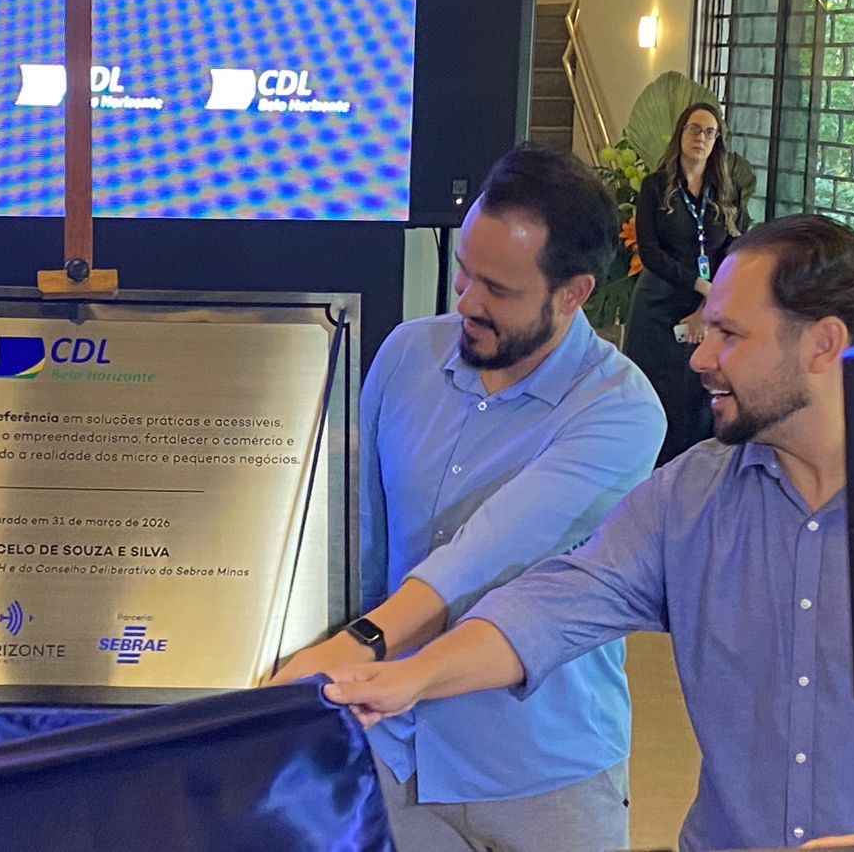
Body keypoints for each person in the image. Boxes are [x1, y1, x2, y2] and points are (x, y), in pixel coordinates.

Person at [320, 215, 854, 851]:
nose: (701, 357)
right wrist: (412, 676)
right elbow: (552, 605)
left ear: (823, 344)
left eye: (730, 334)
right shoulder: (689, 496)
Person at [273, 144, 666, 852]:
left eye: (498, 289)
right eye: (463, 271)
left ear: (573, 293)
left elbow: (489, 551)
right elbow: (361, 541)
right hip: (394, 752)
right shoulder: (407, 354)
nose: (466, 302)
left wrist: (361, 644)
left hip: (543, 772)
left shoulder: (621, 409)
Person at [626, 102, 744, 466]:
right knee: (654, 397)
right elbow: (650, 252)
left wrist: (707, 304)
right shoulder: (655, 187)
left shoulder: (727, 190)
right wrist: (699, 284)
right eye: (694, 129)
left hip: (709, 306)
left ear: (717, 141)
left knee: (698, 398)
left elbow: (734, 248)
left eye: (710, 132)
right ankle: (646, 474)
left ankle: (691, 475)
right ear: (681, 134)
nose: (701, 138)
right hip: (659, 303)